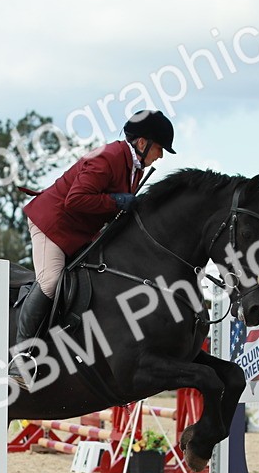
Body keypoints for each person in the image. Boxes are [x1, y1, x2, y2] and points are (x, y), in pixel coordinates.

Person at [9, 109, 176, 386]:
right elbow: (75, 199)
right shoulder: (108, 157)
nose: (160, 156)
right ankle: (20, 357)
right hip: (52, 223)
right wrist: (115, 202)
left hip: (79, 230)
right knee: (50, 281)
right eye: (160, 148)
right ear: (142, 143)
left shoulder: (134, 167)